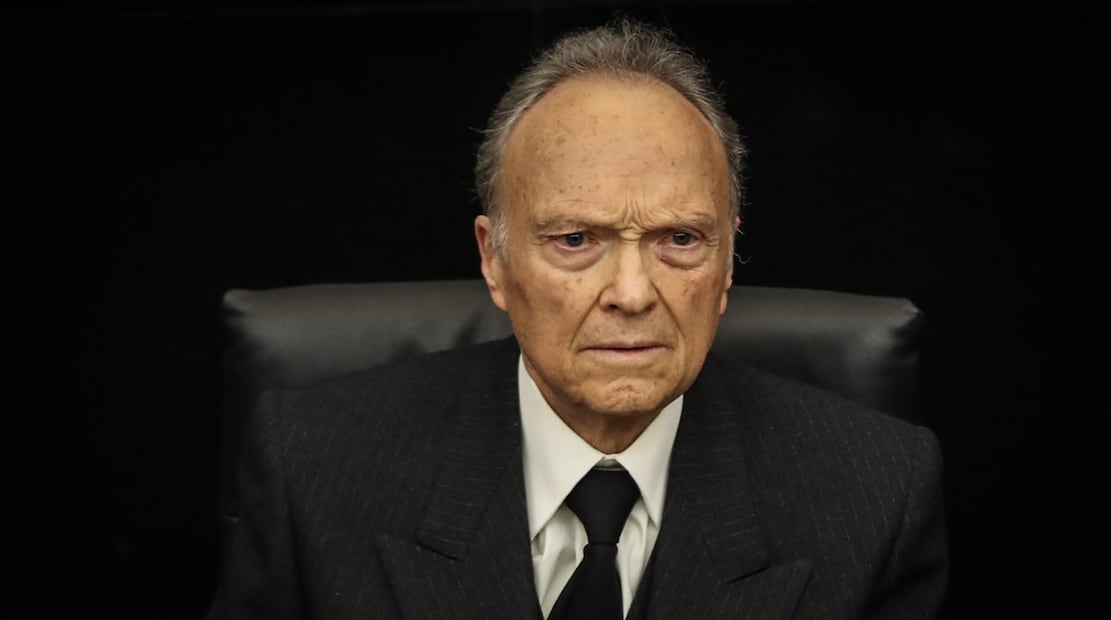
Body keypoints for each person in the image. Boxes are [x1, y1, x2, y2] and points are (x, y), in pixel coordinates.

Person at [206, 17, 947, 620]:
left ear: (726, 265)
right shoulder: (314, 470)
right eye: (574, 240)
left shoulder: (876, 494)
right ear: (494, 260)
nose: (632, 292)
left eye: (679, 239)